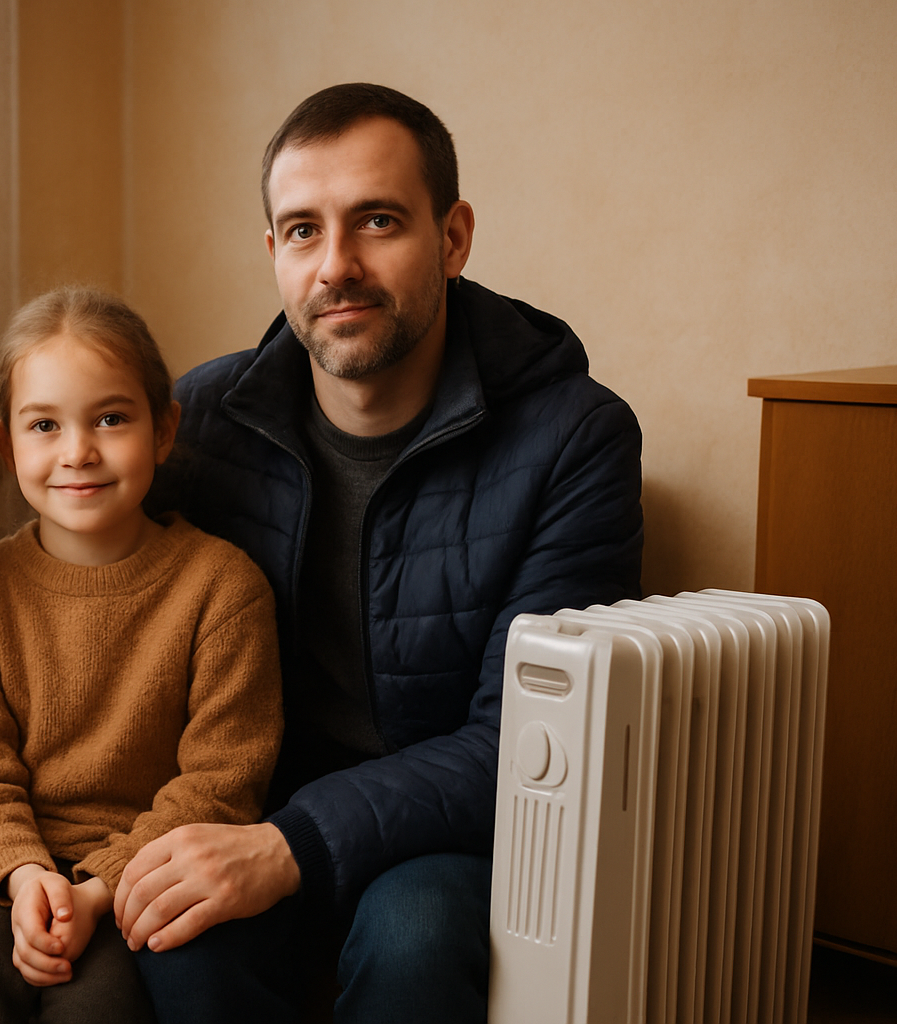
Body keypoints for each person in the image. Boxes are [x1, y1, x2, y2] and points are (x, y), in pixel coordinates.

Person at [117, 83, 644, 1022]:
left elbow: (523, 744)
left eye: (378, 221)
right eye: (304, 231)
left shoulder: (577, 438)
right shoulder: (202, 424)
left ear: (453, 238)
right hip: (252, 799)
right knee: (177, 937)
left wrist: (292, 846)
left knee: (416, 934)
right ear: (274, 254)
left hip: (456, 831)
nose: (338, 266)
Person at [0, 287, 284, 1024]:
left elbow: (221, 783)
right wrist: (23, 876)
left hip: (143, 877)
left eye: (111, 418)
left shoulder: (223, 587)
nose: (78, 451)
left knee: (98, 1002)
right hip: (9, 869)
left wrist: (97, 890)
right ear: (6, 445)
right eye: (44, 424)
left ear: (165, 430)